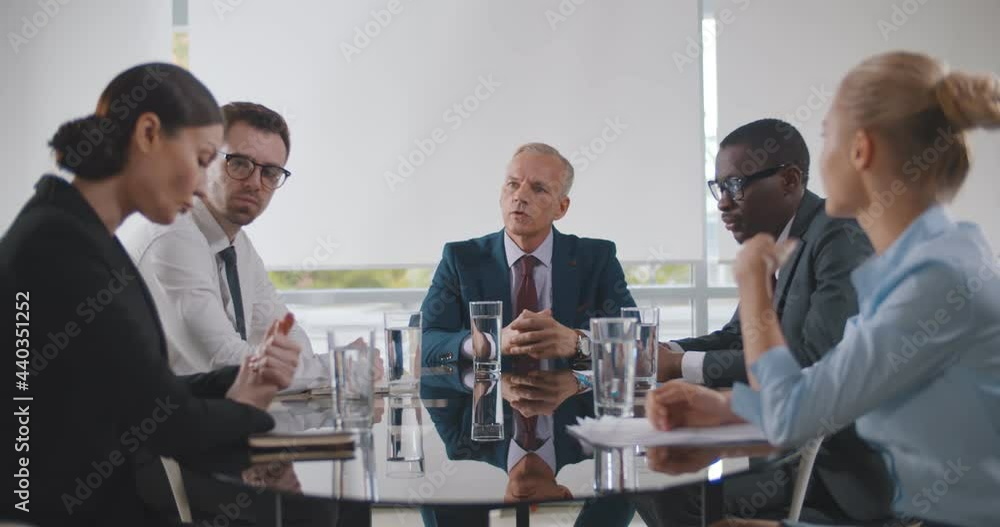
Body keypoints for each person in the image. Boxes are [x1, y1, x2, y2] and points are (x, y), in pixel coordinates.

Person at [646, 51, 1000, 527]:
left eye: (826, 135)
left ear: (861, 150)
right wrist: (719, 411)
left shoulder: (933, 279)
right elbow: (823, 392)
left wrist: (752, 280)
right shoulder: (929, 260)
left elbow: (795, 411)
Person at [1, 63, 300, 526]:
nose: (203, 185)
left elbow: (136, 393)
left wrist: (232, 380)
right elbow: (161, 422)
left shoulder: (81, 235)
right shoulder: (60, 249)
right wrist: (246, 409)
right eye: (203, 160)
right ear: (148, 134)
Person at [646, 120, 892, 524]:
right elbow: (734, 336)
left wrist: (680, 366)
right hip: (786, 445)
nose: (723, 202)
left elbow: (811, 359)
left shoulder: (839, 236)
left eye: (735, 186)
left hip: (836, 469)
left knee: (672, 495)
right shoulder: (771, 245)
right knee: (656, 481)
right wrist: (666, 352)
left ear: (789, 180)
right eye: (718, 188)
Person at [122, 102, 333, 389]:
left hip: (209, 417)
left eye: (270, 172)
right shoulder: (174, 236)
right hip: (153, 425)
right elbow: (226, 361)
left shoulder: (237, 246)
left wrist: (308, 367)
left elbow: (291, 340)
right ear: (205, 160)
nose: (255, 183)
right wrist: (337, 369)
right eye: (239, 163)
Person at [420, 143, 636, 371]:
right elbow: (425, 342)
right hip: (487, 402)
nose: (519, 196)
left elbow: (637, 343)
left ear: (561, 208)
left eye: (539, 188)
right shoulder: (461, 259)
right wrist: (490, 342)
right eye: (512, 184)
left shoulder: (597, 259)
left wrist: (578, 342)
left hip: (572, 402)